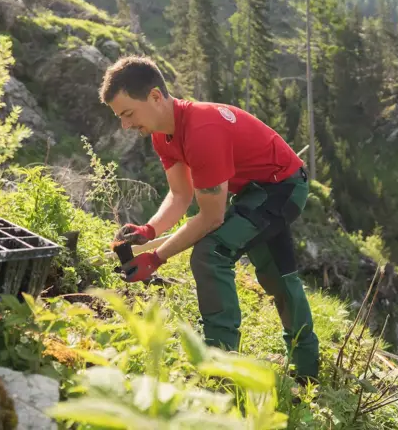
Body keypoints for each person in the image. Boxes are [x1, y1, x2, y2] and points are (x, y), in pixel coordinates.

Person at [99, 55, 320, 382]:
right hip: (255, 191)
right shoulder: (163, 132)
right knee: (277, 273)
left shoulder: (202, 130)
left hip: (283, 187)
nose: (126, 125)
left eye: (128, 113)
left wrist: (157, 257)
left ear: (156, 97)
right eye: (120, 117)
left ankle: (219, 366)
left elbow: (211, 219)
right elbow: (180, 195)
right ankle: (307, 371)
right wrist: (150, 230)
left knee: (211, 253)